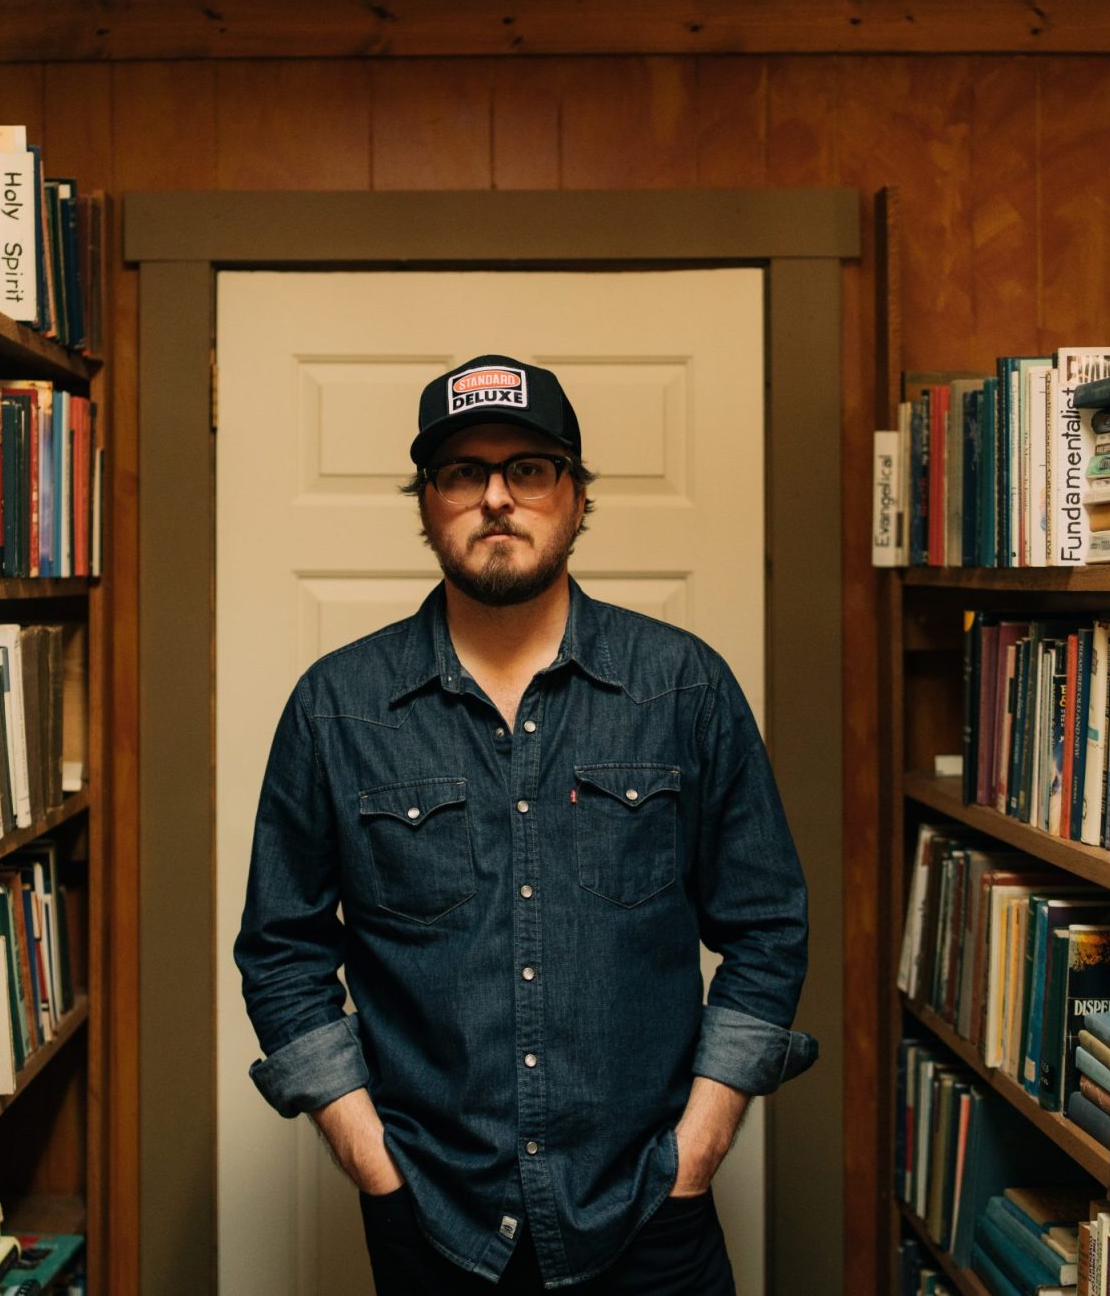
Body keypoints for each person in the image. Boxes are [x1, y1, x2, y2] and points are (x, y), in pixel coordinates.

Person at [234, 354, 817, 1294]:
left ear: (577, 498)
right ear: (426, 503)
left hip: (649, 1216)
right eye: (463, 472)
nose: (496, 497)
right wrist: (372, 1163)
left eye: (530, 469)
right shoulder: (336, 708)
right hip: (433, 1221)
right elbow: (282, 953)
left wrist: (698, 1150)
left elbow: (768, 928)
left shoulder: (682, 686)